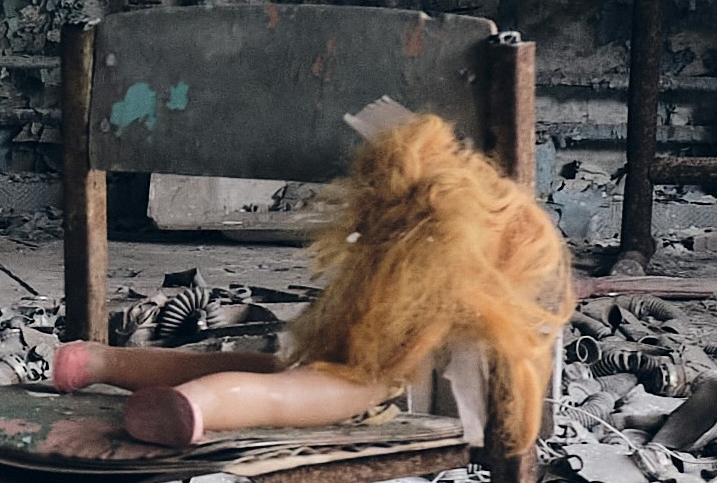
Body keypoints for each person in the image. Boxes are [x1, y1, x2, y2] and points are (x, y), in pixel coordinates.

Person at [46, 112, 574, 450]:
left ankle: (96, 361)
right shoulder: (464, 253)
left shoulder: (412, 219)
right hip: (367, 356)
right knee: (292, 393)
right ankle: (195, 408)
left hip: (343, 323)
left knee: (275, 370)